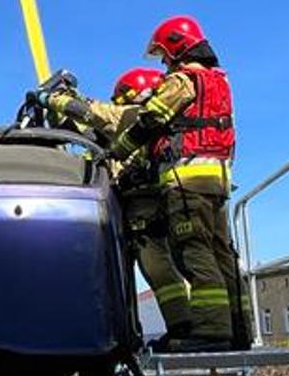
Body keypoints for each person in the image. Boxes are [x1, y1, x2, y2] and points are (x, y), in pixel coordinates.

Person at [44, 15, 245, 351]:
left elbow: (135, 120)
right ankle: (237, 328)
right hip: (216, 181)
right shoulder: (216, 83)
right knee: (219, 255)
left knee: (194, 255)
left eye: (165, 54)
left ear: (177, 47)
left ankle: (211, 332)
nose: (164, 62)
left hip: (185, 183)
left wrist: (59, 101)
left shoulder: (180, 83)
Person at [46, 67, 196, 343]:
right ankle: (176, 325)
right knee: (158, 269)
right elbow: (87, 128)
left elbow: (94, 114)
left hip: (141, 206)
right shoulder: (156, 119)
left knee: (156, 268)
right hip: (156, 201)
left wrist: (54, 98)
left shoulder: (131, 115)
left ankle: (181, 326)